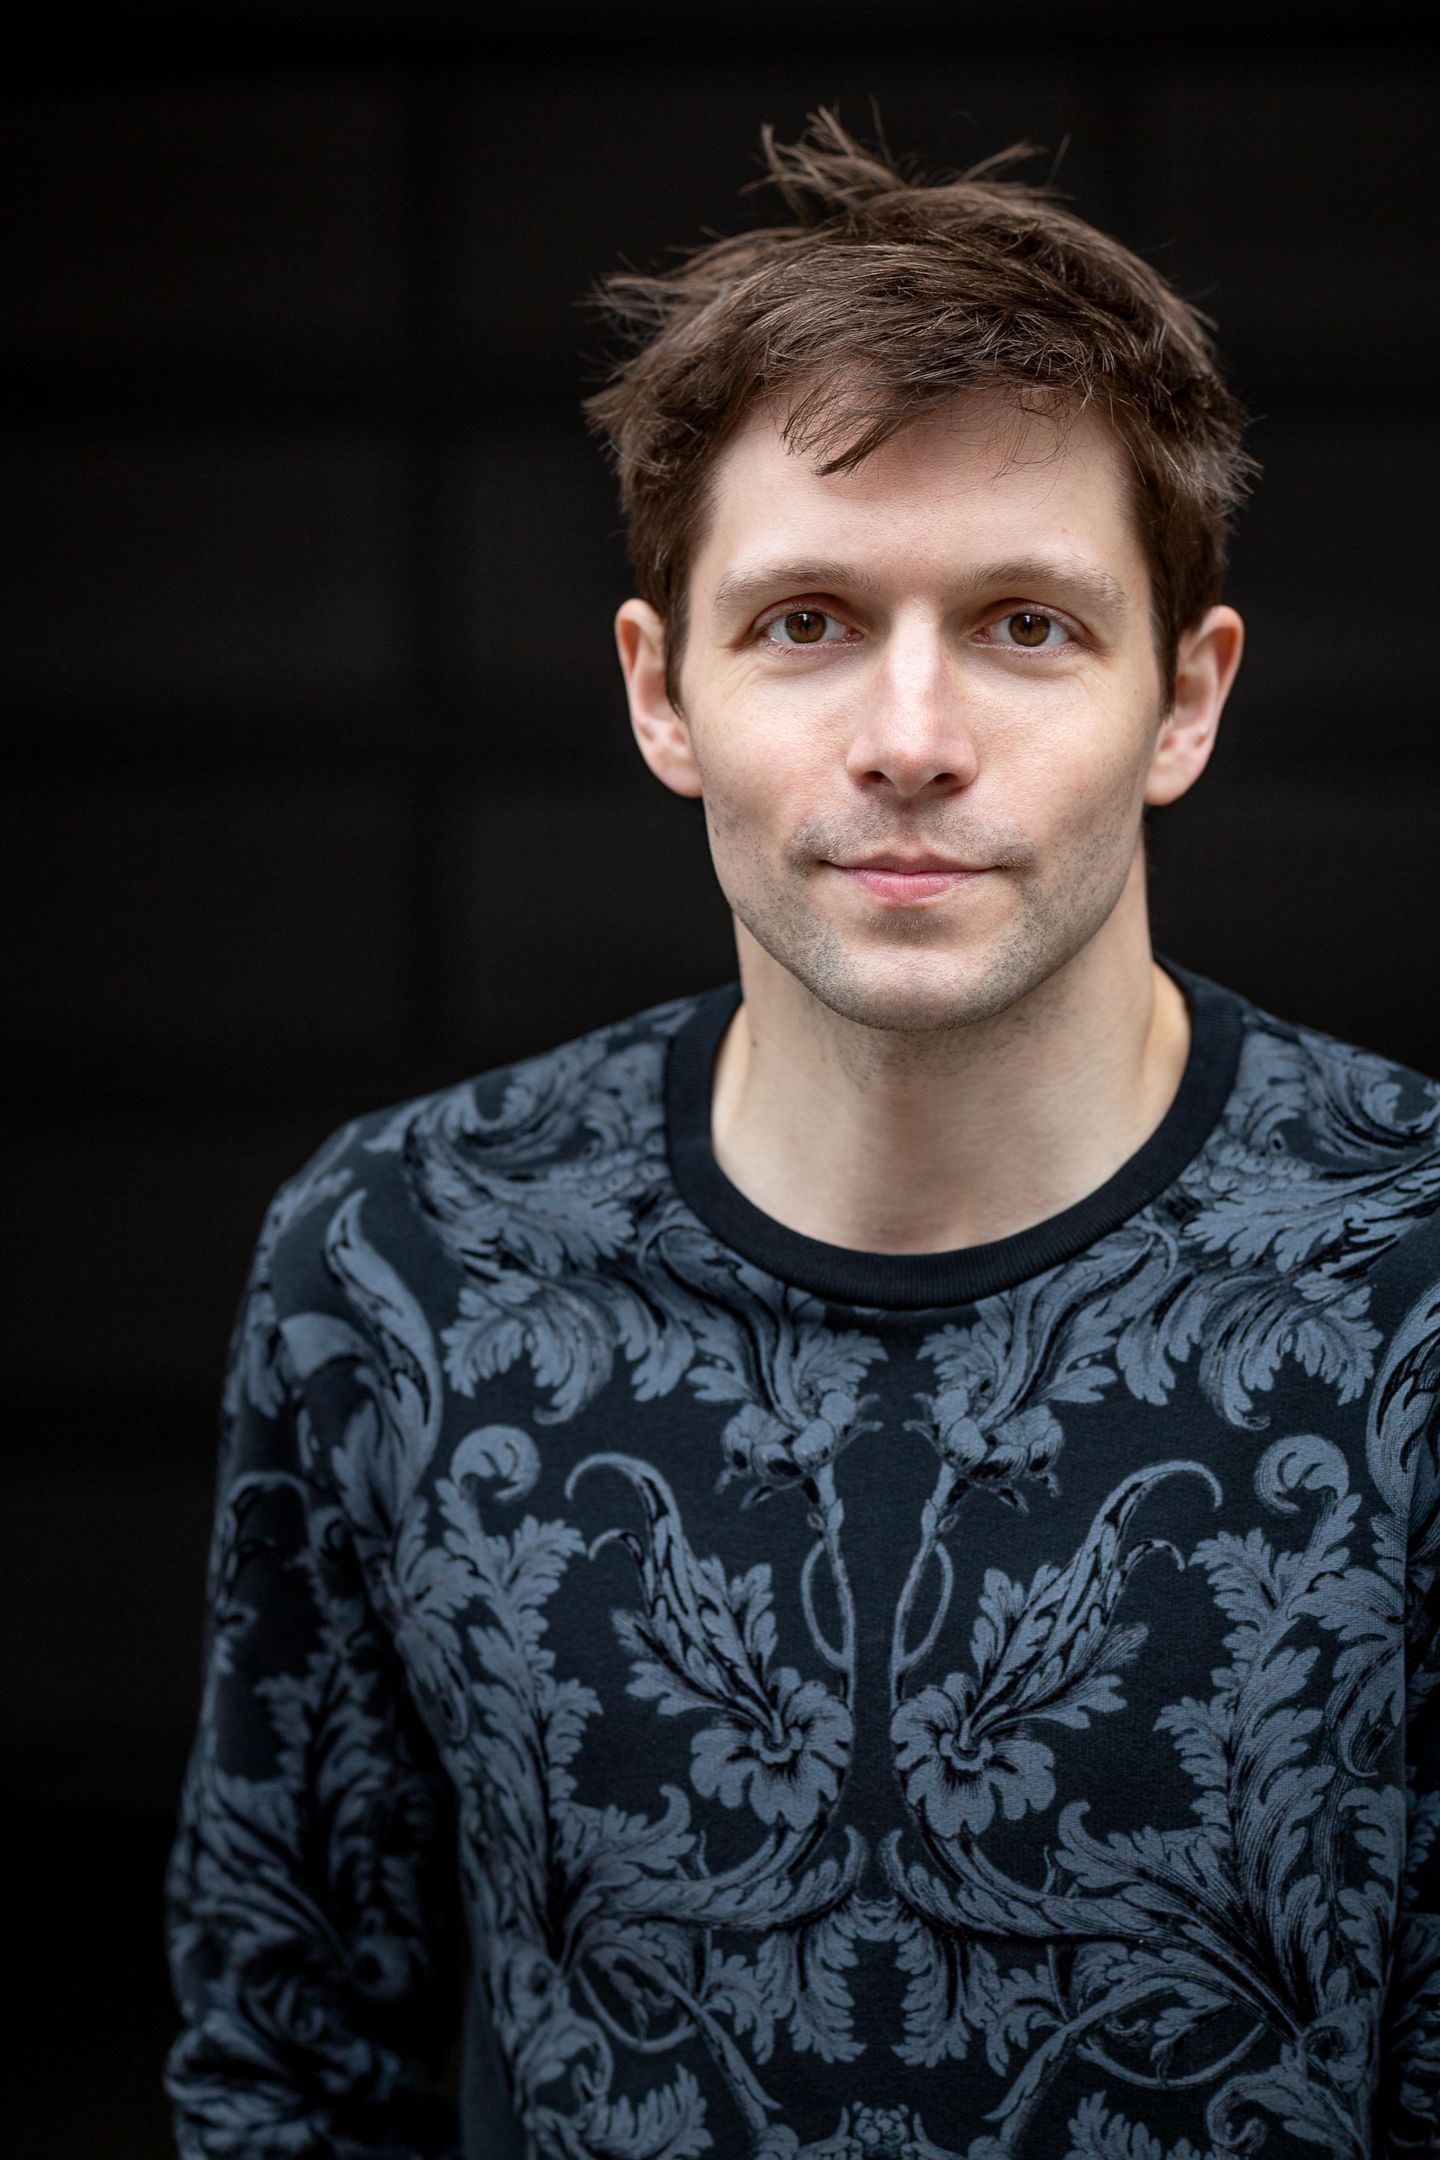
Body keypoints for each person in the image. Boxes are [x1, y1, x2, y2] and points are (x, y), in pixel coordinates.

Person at [164, 111, 1440, 2160]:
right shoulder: (398, 1257)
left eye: (1027, 624)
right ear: (661, 693)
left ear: (1187, 699)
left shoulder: (1419, 1274)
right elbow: (290, 2071)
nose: (912, 739)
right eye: (808, 621)